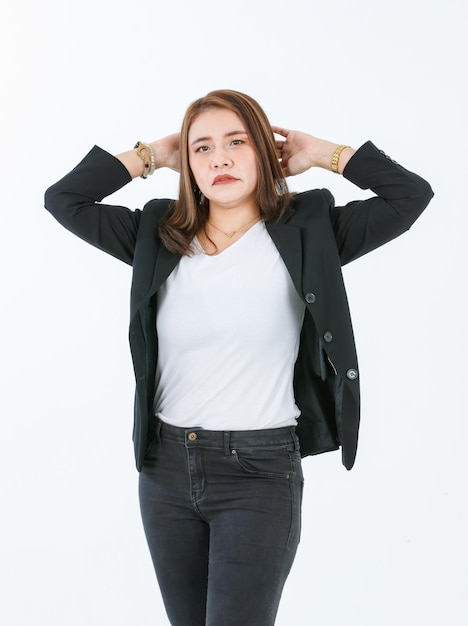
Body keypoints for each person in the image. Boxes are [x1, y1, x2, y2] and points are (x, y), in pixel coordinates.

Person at [44, 89, 433, 625]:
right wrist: (153, 154)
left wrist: (325, 154)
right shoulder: (156, 235)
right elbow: (64, 200)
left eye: (237, 142)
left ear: (266, 153)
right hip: (165, 472)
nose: (219, 158)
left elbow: (409, 196)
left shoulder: (310, 230)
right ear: (188, 164)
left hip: (260, 472)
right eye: (201, 148)